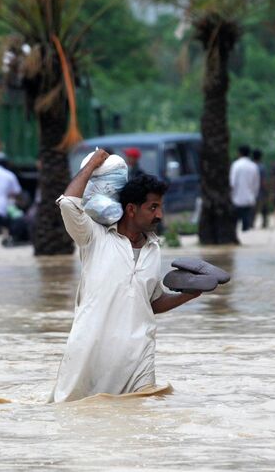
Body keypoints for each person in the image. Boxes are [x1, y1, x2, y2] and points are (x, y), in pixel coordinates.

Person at [50, 151, 202, 402]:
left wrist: (190, 294)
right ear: (131, 209)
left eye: (160, 207)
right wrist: (91, 165)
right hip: (90, 354)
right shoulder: (93, 237)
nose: (159, 215)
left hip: (138, 358)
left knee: (143, 419)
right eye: (153, 207)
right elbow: (68, 203)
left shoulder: (154, 247)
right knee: (79, 417)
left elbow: (150, 302)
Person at [229, 145, 260, 232]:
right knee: (247, 224)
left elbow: (232, 182)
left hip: (236, 198)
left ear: (239, 153)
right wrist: (254, 195)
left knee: (235, 223)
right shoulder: (253, 166)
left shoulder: (236, 165)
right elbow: (256, 184)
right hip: (249, 199)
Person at [252, 149, 269, 229]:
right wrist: (266, 190)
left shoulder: (251, 166)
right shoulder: (262, 167)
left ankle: (251, 223)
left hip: (251, 191)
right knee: (264, 208)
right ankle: (264, 223)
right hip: (260, 191)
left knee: (253, 209)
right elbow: (263, 181)